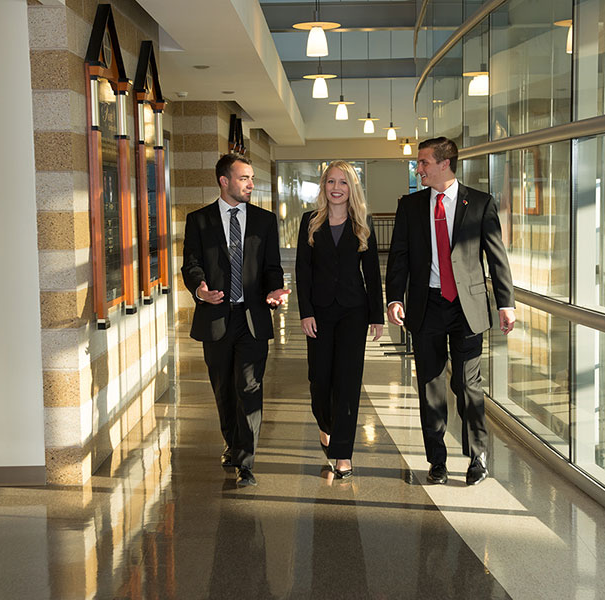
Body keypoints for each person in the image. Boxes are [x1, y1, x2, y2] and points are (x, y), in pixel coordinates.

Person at [385, 137, 516, 486]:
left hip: (467, 308)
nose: (419, 169)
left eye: (424, 162)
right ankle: (437, 460)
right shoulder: (410, 206)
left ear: (445, 163)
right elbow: (399, 257)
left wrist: (506, 303)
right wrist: (394, 297)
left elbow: (495, 256)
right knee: (430, 387)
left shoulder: (480, 203)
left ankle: (478, 456)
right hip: (426, 306)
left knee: (466, 384)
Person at [181, 154, 290, 487]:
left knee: (249, 387)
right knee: (224, 390)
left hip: (252, 317)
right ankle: (232, 442)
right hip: (215, 317)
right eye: (244, 178)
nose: (250, 184)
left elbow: (272, 266)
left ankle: (246, 458)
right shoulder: (198, 220)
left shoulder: (264, 220)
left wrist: (274, 290)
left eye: (252, 178)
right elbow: (191, 263)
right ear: (224, 181)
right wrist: (200, 288)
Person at [295, 161, 384, 478]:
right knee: (319, 380)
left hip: (353, 312)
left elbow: (372, 274)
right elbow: (302, 273)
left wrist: (377, 315)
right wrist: (305, 311)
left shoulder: (363, 223)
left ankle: (343, 453)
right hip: (318, 312)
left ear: (352, 188)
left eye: (343, 182)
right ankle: (326, 424)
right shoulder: (309, 222)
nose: (336, 188)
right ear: (323, 186)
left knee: (347, 382)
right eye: (331, 181)